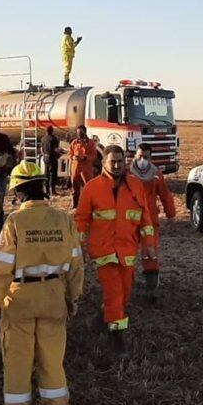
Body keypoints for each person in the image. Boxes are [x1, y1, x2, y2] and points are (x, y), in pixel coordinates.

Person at [0, 161, 84, 405]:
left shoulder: (15, 221)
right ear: (43, 187)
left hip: (19, 300)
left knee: (17, 362)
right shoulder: (64, 219)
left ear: (17, 191)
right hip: (54, 296)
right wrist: (73, 297)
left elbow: (0, 268)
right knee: (52, 361)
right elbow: (77, 264)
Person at [75, 145, 155, 354]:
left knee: (124, 294)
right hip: (104, 251)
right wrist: (78, 250)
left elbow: (145, 217)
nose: (118, 166)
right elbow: (81, 220)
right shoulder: (92, 188)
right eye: (113, 162)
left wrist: (148, 244)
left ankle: (101, 319)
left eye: (121, 161)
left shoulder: (135, 186)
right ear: (104, 163)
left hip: (127, 250)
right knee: (115, 293)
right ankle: (116, 337)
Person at [128, 143, 176, 300]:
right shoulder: (127, 173)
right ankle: (126, 283)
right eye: (140, 156)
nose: (142, 160)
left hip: (150, 220)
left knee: (150, 252)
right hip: (129, 220)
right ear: (135, 155)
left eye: (146, 157)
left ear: (151, 158)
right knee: (126, 252)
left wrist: (171, 214)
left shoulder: (156, 175)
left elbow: (165, 195)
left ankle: (151, 285)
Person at [68, 125, 97, 209]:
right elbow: (70, 153)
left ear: (84, 132)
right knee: (75, 188)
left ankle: (88, 205)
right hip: (75, 168)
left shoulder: (90, 143)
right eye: (78, 133)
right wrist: (72, 157)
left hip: (86, 169)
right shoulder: (74, 142)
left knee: (87, 187)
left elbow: (94, 155)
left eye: (81, 132)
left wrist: (84, 157)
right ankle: (75, 205)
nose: (79, 134)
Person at [41, 125, 61, 196]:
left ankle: (47, 191)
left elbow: (42, 150)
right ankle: (53, 190)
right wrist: (59, 154)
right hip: (52, 158)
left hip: (45, 158)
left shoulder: (43, 138)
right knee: (53, 174)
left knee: (46, 174)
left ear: (46, 131)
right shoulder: (54, 138)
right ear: (52, 131)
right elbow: (56, 150)